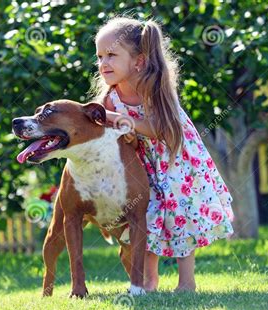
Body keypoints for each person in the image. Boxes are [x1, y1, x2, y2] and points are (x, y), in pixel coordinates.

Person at [90, 16, 235, 292]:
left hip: (176, 162)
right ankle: (149, 280)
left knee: (181, 213)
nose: (103, 63)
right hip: (144, 164)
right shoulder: (111, 96)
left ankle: (187, 282)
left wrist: (121, 121)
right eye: (99, 56)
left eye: (111, 55)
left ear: (139, 61)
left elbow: (159, 130)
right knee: (146, 216)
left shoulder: (152, 87)